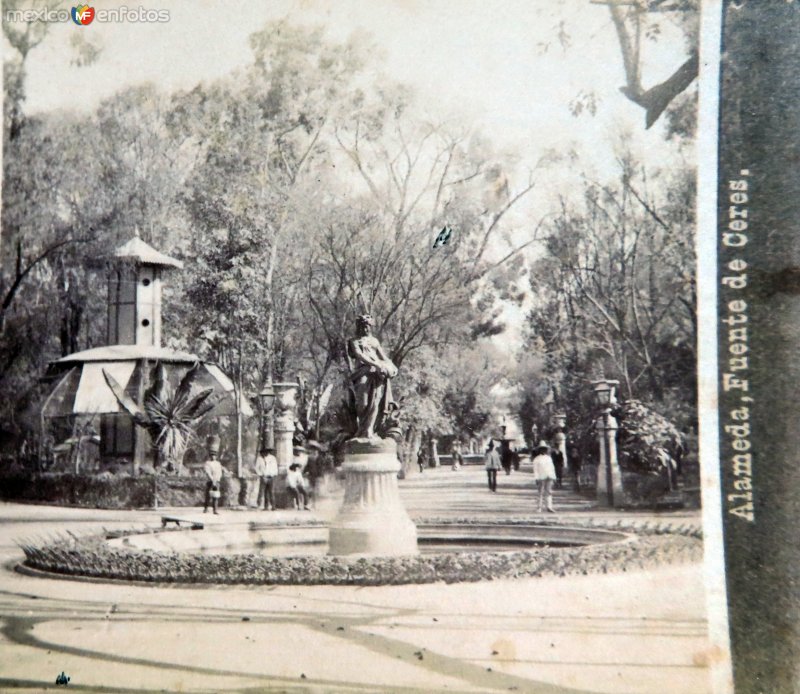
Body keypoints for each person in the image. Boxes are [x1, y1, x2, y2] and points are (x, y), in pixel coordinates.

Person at [347, 314, 398, 439]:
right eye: (362, 326)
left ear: (370, 327)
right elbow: (360, 356)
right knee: (363, 403)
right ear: (358, 327)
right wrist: (376, 364)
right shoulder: (353, 341)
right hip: (362, 372)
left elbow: (383, 357)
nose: (365, 329)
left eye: (367, 326)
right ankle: (361, 429)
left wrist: (392, 366)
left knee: (376, 402)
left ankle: (369, 430)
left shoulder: (374, 341)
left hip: (377, 374)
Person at [532, 441, 557, 513]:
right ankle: (539, 507)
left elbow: (552, 467)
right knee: (540, 492)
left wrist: (554, 477)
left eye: (544, 449)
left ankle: (549, 506)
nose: (543, 450)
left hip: (549, 476)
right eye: (541, 449)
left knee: (549, 492)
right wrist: (536, 478)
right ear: (539, 450)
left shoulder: (549, 458)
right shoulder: (537, 459)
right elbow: (535, 469)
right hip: (541, 477)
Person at [203, 436, 224, 514]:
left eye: (214, 455)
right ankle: (206, 508)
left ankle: (215, 509)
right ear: (209, 456)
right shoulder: (207, 463)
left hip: (217, 480)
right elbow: (208, 472)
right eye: (211, 455)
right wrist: (212, 480)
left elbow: (220, 472)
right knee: (208, 495)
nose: (213, 456)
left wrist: (217, 479)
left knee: (216, 495)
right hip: (210, 481)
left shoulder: (218, 463)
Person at [254, 446, 278, 510]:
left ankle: (273, 506)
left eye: (267, 452)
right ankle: (261, 505)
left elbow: (275, 467)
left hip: (271, 476)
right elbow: (256, 468)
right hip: (264, 476)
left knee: (271, 492)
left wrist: (274, 475)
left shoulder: (272, 458)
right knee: (262, 491)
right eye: (264, 452)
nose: (265, 453)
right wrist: (261, 475)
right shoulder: (259, 459)